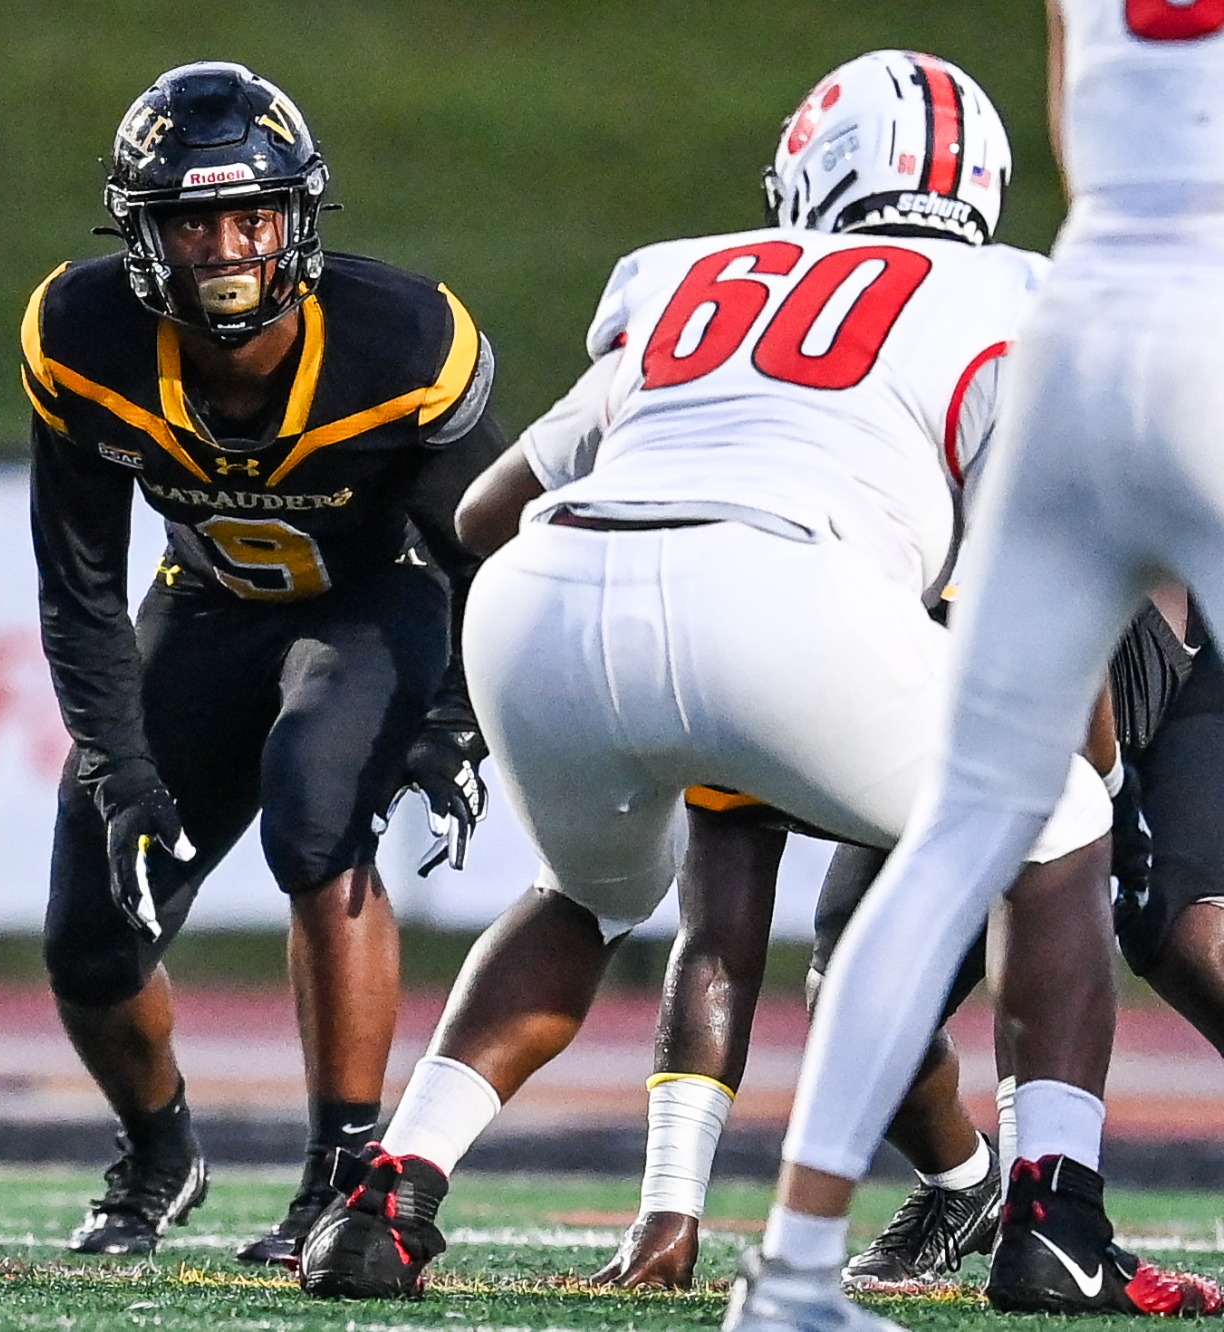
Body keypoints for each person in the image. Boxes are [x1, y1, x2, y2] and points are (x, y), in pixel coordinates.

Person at [296, 49, 1119, 1302]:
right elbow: (1044, 572)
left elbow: (480, 513)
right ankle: (1052, 1219)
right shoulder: (1015, 293)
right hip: (787, 591)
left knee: (579, 896)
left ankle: (392, 1189)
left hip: (543, 590)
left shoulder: (684, 273)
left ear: (812, 168)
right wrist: (1087, 751)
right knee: (1058, 816)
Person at [728, 5, 1224, 1326]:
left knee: (1040, 869)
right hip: (1160, 360)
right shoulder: (986, 286)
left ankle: (797, 1271)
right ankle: (1021, 1214)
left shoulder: (960, 287)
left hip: (1109, 359)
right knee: (1043, 883)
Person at [22, 61, 503, 1263]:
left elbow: (486, 549)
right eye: (193, 222)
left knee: (314, 815)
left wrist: (458, 715)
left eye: (250, 216)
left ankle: (340, 1172)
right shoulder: (84, 335)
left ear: (297, 217)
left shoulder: (399, 340)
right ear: (143, 235)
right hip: (205, 601)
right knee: (89, 931)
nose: (227, 248)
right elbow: (77, 583)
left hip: (371, 599)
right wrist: (115, 761)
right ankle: (157, 1149)